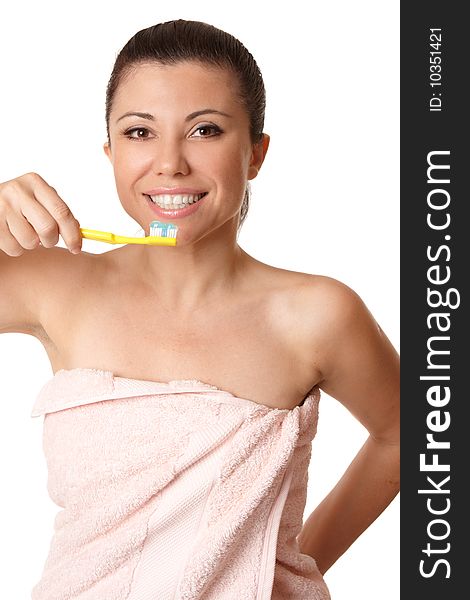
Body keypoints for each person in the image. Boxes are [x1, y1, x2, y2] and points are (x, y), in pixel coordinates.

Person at [0, 19, 399, 599]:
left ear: (256, 152)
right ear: (110, 151)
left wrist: (286, 564)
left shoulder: (317, 314)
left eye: (205, 130)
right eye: (139, 132)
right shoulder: (52, 283)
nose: (170, 164)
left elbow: (417, 432)